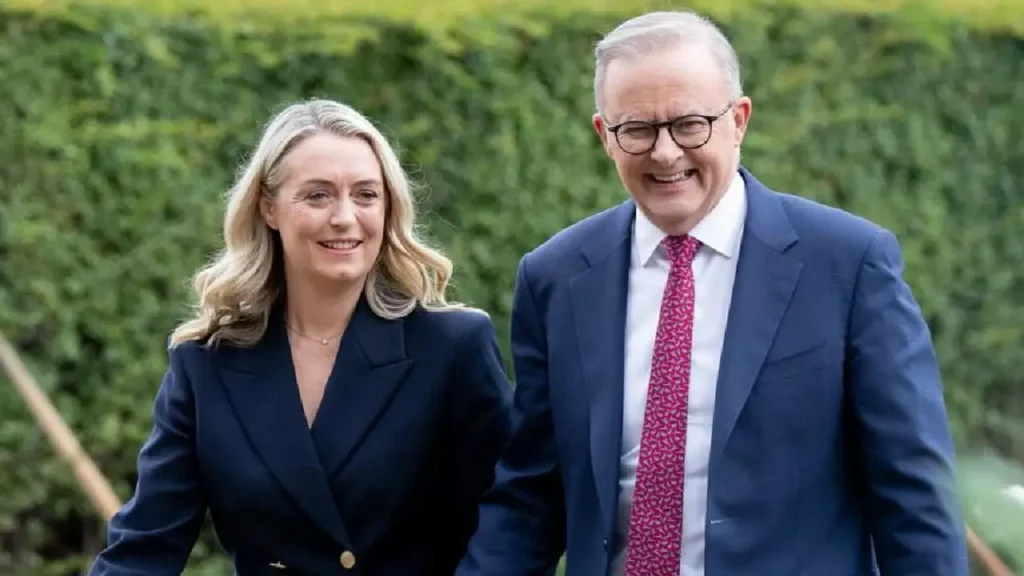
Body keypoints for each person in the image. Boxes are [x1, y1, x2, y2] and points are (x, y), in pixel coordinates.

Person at [457, 10, 968, 576]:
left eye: (690, 123)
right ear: (605, 136)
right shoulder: (554, 277)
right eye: (638, 130)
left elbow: (912, 492)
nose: (666, 152)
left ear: (739, 120)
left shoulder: (847, 264)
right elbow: (532, 492)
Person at [88, 98, 514, 575]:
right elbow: (146, 545)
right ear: (269, 208)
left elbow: (510, 521)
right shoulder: (207, 363)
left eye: (366, 195)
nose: (345, 217)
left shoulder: (451, 347)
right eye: (318, 195)